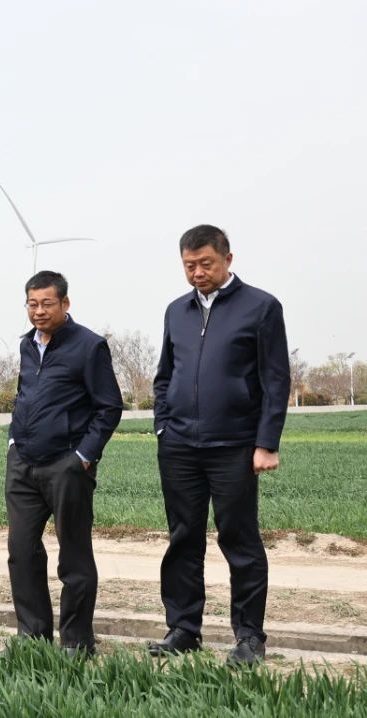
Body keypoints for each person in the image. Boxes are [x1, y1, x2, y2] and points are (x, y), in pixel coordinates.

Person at [148, 225, 289, 665]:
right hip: (179, 446)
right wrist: (162, 426)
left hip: (235, 445)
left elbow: (275, 380)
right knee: (183, 539)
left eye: (205, 263)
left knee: (239, 539)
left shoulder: (261, 307)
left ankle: (249, 637)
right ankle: (183, 629)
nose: (197, 273)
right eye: (189, 265)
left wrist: (266, 442)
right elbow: (164, 375)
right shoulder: (176, 311)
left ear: (228, 259)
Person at [4, 271, 123, 656]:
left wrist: (83, 456)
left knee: (73, 555)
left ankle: (76, 641)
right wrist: (13, 441)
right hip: (23, 464)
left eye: (47, 304)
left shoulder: (89, 346)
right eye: (32, 304)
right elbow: (24, 395)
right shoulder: (27, 345)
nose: (38, 311)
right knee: (21, 550)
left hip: (66, 465)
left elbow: (109, 407)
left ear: (65, 303)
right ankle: (32, 636)